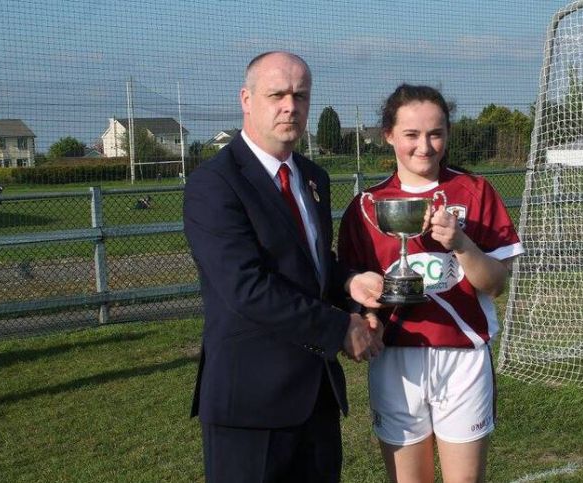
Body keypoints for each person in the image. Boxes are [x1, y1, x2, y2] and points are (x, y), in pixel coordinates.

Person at [183, 51, 385, 482]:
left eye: (301, 95)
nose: (290, 106)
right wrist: (339, 328)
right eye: (277, 94)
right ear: (246, 98)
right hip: (250, 406)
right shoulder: (213, 184)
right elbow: (247, 288)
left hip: (316, 399)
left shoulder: (313, 177)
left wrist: (351, 283)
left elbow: (310, 266)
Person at [338, 84, 525, 483]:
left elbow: (496, 284)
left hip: (463, 357)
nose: (424, 146)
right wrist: (367, 305)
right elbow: (352, 288)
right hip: (395, 360)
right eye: (411, 134)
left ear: (448, 135)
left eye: (435, 133)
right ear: (388, 134)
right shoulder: (367, 207)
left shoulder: (474, 192)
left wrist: (461, 244)